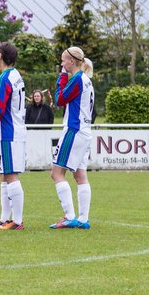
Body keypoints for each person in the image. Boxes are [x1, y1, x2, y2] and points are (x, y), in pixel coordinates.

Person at [50, 46, 96, 229]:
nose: (62, 64)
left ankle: (69, 216)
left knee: (56, 173)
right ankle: (83, 219)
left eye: (63, 60)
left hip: (74, 130)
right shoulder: (86, 79)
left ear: (72, 62)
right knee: (80, 175)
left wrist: (61, 78)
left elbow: (59, 100)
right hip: (85, 131)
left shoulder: (76, 79)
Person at [0, 41, 27, 231]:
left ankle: (17, 221)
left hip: (9, 132)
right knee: (4, 175)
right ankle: (4, 218)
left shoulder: (3, 79)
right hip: (15, 130)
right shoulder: (16, 75)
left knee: (11, 175)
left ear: (0, 56)